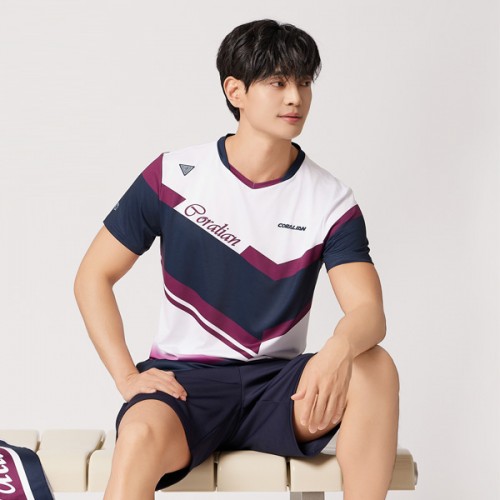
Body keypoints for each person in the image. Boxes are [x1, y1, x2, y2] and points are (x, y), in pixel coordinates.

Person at [74, 19, 399, 500]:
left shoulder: (330, 200)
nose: (296, 98)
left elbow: (369, 312)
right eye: (278, 83)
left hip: (280, 390)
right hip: (187, 385)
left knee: (375, 367)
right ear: (236, 91)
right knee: (138, 436)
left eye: (304, 83)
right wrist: (127, 376)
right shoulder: (173, 176)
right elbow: (93, 276)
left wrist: (337, 349)